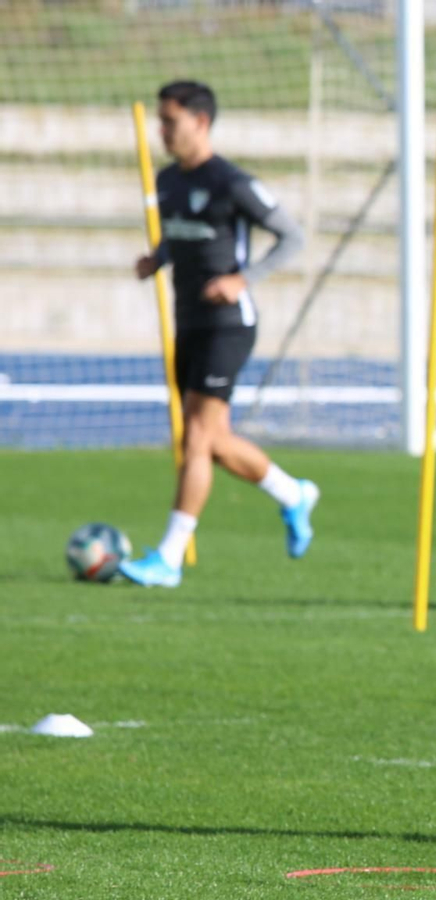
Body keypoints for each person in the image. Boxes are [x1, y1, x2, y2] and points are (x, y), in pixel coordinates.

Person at [120, 80, 314, 588]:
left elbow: (293, 236)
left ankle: (168, 557)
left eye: (170, 121)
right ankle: (293, 495)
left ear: (200, 122)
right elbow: (179, 235)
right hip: (189, 323)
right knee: (212, 441)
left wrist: (241, 280)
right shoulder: (166, 183)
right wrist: (156, 260)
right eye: (160, 121)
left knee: (198, 439)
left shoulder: (232, 182)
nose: (163, 131)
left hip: (230, 325)